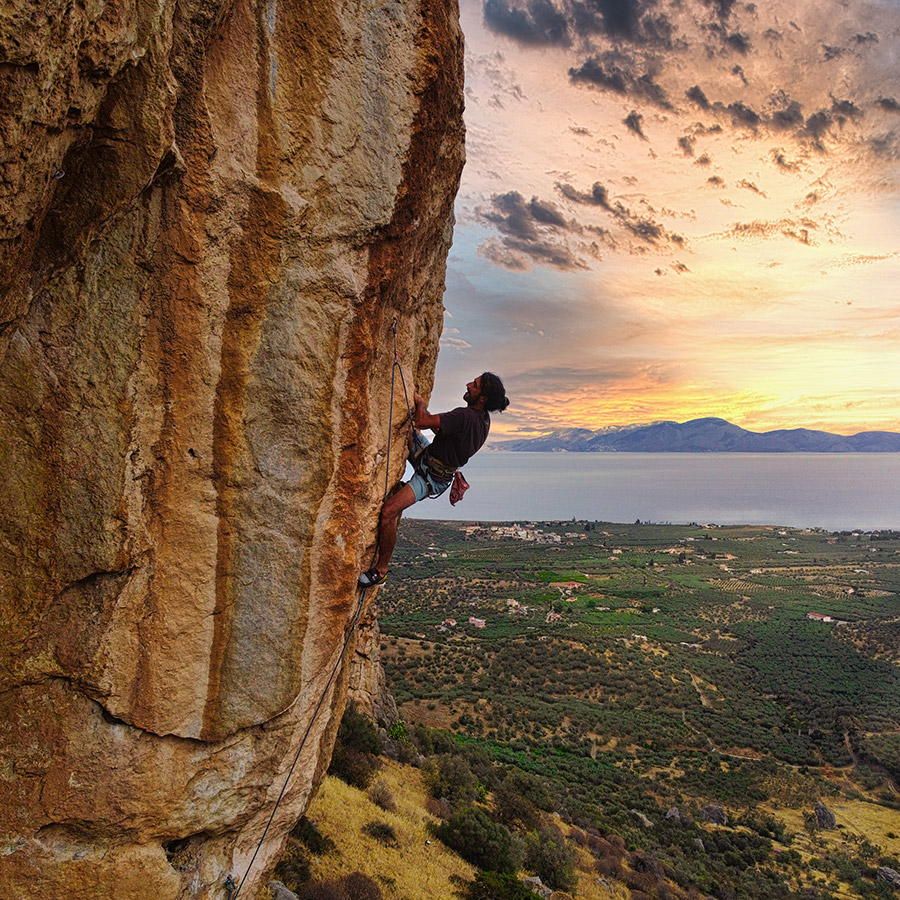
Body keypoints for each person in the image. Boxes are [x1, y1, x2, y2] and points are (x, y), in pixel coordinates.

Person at [358, 372, 509, 586]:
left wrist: (420, 404)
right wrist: (427, 419)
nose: (468, 384)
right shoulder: (483, 421)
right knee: (409, 432)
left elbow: (421, 421)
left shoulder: (465, 416)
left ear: (482, 398)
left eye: (474, 385)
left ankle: (380, 571)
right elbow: (443, 431)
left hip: (430, 477)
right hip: (432, 463)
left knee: (389, 511)